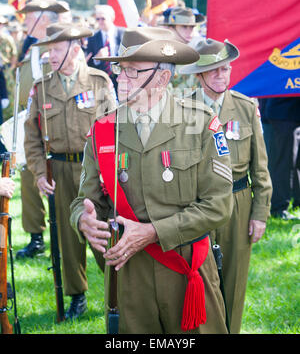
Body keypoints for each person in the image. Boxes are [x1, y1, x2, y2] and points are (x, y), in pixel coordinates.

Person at [70, 26, 234, 334]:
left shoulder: (200, 124)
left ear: (161, 76)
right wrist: (83, 219)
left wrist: (153, 231)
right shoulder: (104, 130)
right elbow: (85, 199)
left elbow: (219, 205)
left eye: (132, 71)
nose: (120, 78)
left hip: (186, 269)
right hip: (131, 276)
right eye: (120, 70)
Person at [24, 22, 116, 320]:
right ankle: (77, 296)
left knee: (103, 229)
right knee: (66, 235)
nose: (51, 55)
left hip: (96, 172)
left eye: (57, 49)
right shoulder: (41, 88)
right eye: (49, 50)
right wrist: (39, 173)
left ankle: (119, 291)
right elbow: (32, 137)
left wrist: (110, 170)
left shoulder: (99, 82)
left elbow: (115, 129)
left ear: (75, 50)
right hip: (59, 170)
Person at [180, 37, 273, 333]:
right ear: (199, 75)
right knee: (199, 278)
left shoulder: (246, 108)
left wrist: (259, 213)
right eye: (214, 70)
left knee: (232, 280)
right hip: (198, 203)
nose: (222, 75)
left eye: (226, 69)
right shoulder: (182, 110)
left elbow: (260, 167)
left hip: (238, 201)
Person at [16, 0, 70, 259]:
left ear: (44, 19)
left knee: (59, 186)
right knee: (29, 179)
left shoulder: (56, 55)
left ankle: (66, 238)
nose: (24, 19)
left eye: (30, 15)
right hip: (30, 130)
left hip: (57, 130)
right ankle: (36, 237)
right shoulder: (29, 52)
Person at [263, 97, 300, 219]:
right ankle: (278, 208)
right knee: (283, 163)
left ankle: (296, 202)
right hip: (283, 112)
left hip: (289, 112)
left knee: (293, 161)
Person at [159, 6, 205, 95]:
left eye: (192, 27)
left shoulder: (195, 53)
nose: (189, 31)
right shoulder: (159, 54)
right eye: (184, 27)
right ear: (171, 28)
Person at [84, 5, 124, 89]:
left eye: (103, 18)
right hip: (102, 82)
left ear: (112, 18)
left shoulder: (124, 34)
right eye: (97, 19)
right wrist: (97, 59)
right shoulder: (93, 38)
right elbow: (89, 64)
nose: (100, 22)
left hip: (122, 79)